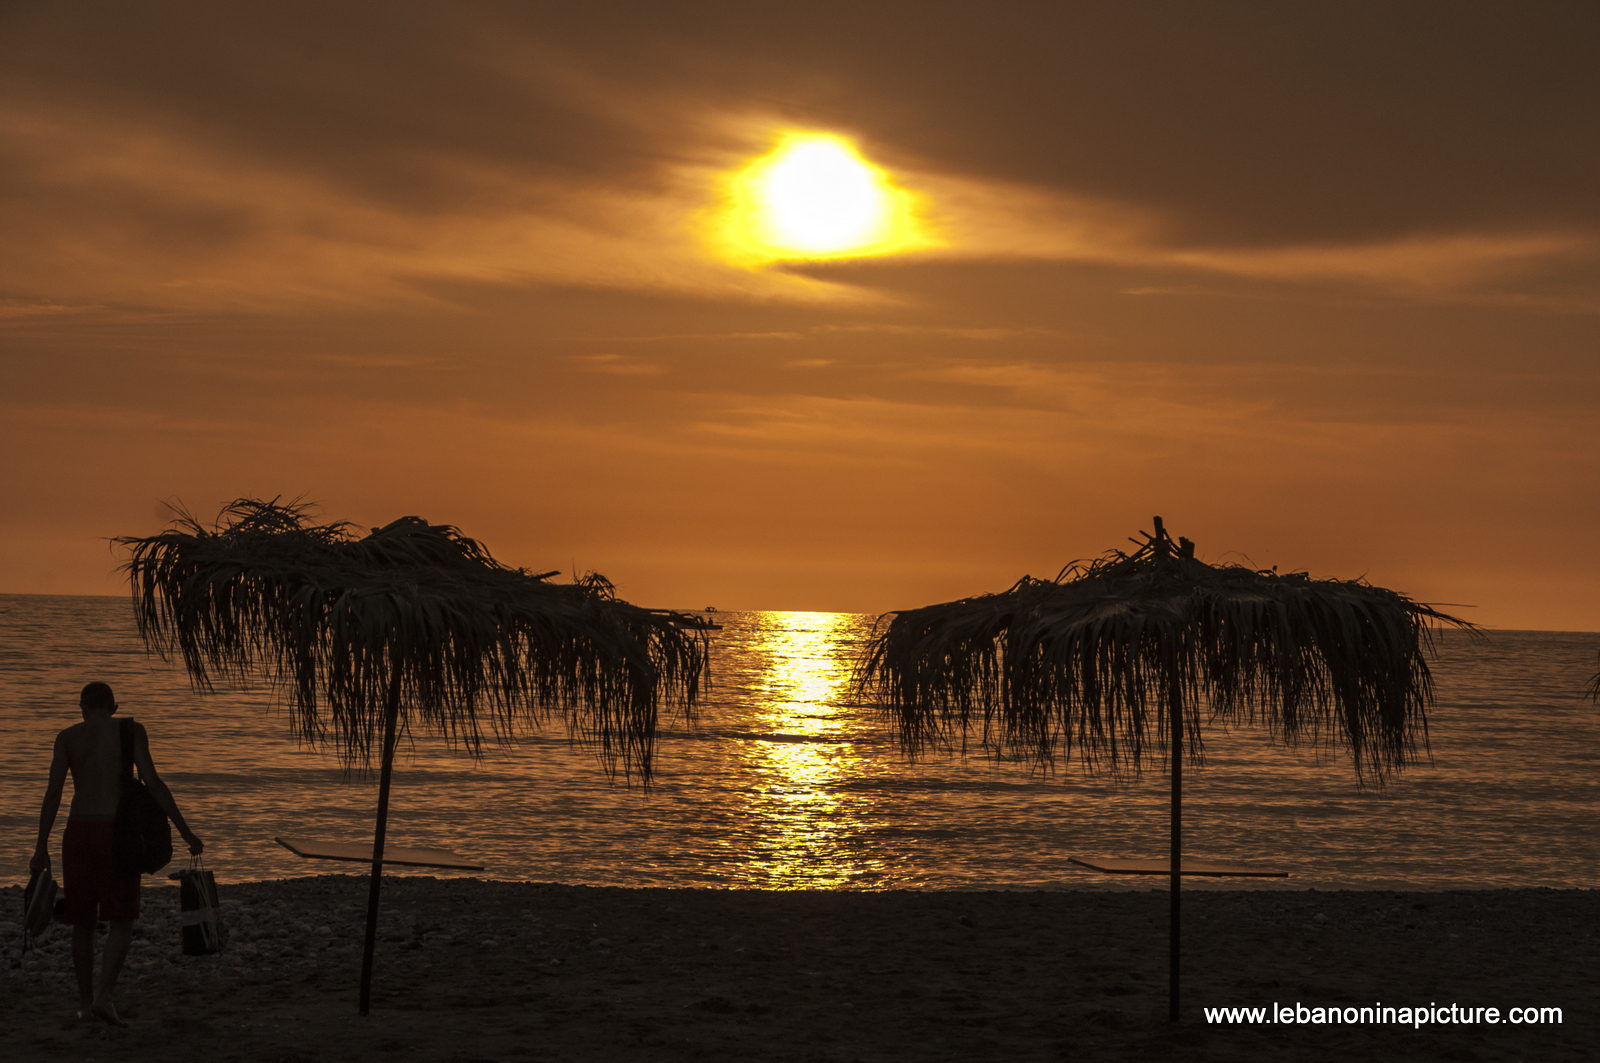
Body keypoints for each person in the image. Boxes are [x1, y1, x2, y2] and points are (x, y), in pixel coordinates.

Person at [30, 681, 203, 1026]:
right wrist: (186, 832)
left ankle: (83, 1003)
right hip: (115, 834)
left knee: (82, 921)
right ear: (114, 706)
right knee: (121, 919)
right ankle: (104, 998)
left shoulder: (66, 737)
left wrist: (40, 847)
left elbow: (52, 794)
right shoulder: (131, 730)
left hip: (77, 832)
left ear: (82, 708)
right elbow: (153, 783)